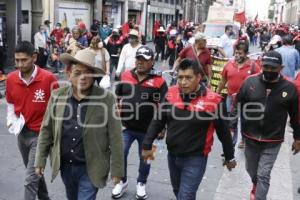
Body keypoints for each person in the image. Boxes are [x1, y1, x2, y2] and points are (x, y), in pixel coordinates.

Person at [34, 48, 124, 200]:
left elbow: (115, 136)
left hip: (92, 167)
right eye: (77, 73)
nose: (82, 77)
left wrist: (117, 170)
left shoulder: (106, 99)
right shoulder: (57, 96)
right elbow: (46, 130)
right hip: (66, 166)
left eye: (87, 73)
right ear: (69, 75)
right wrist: (40, 159)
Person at [142, 59, 236, 200]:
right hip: (172, 156)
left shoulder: (214, 101)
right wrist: (147, 144)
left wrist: (229, 156)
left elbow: (224, 133)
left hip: (195, 159)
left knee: (185, 195)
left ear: (198, 77)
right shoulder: (170, 94)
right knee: (178, 191)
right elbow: (158, 121)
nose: (183, 82)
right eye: (180, 77)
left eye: (188, 78)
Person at [237, 51, 300, 200]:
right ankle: (255, 184)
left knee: (263, 174)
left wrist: (298, 138)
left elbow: (296, 116)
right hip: (250, 137)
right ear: (261, 65)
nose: (269, 70)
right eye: (266, 67)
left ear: (281, 67)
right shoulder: (249, 82)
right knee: (251, 170)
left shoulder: (290, 88)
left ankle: (259, 196)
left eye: (273, 68)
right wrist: (235, 125)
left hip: (273, 140)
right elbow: (238, 104)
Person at [112, 46, 168, 200]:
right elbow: (118, 96)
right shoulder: (125, 75)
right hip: (126, 127)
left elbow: (165, 107)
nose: (140, 62)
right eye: (138, 59)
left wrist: (162, 128)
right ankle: (122, 182)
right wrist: (117, 110)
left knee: (146, 157)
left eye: (144, 60)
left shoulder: (159, 82)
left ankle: (141, 183)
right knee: (120, 153)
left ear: (152, 62)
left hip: (149, 130)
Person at [6, 41, 59, 200]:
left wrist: (54, 135)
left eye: (24, 60)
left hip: (41, 136)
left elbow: (57, 109)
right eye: (17, 60)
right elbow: (10, 104)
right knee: (36, 172)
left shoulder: (48, 79)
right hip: (22, 133)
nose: (19, 65)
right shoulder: (11, 79)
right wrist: (11, 120)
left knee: (30, 179)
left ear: (34, 57)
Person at [217, 42, 260, 148]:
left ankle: (244, 140)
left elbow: (259, 81)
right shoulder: (229, 64)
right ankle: (231, 144)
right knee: (231, 122)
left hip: (247, 100)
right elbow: (223, 81)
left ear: (246, 54)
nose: (237, 55)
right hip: (230, 99)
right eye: (236, 53)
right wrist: (216, 93)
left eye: (240, 53)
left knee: (245, 121)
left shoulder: (253, 66)